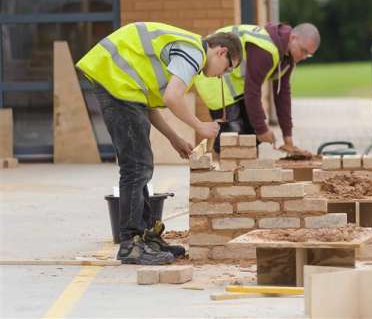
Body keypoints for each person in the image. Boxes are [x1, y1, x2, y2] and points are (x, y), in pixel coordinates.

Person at [76, 22, 242, 264]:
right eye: (227, 69)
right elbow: (172, 97)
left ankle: (145, 238)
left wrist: (174, 138)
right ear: (221, 52)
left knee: (140, 163)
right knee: (137, 165)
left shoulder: (187, 55)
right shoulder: (194, 52)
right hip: (115, 81)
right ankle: (131, 243)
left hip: (122, 86)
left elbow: (150, 107)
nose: (222, 75)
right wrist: (200, 127)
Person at [194, 23, 320, 156]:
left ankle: (246, 172)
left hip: (236, 82)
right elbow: (252, 90)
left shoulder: (287, 59)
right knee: (231, 136)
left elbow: (282, 96)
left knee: (253, 134)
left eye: (309, 55)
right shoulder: (266, 50)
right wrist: (262, 129)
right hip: (213, 74)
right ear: (293, 38)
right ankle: (224, 172)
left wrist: (288, 138)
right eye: (304, 50)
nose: (305, 57)